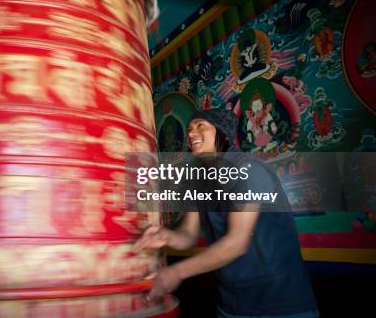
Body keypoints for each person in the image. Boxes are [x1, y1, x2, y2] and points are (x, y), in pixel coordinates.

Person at [133, 108, 319, 317]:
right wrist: (166, 236)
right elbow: (188, 235)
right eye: (189, 129)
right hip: (231, 304)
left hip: (280, 304)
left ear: (222, 133)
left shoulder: (250, 170)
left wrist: (175, 272)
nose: (191, 133)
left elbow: (237, 242)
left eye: (200, 126)